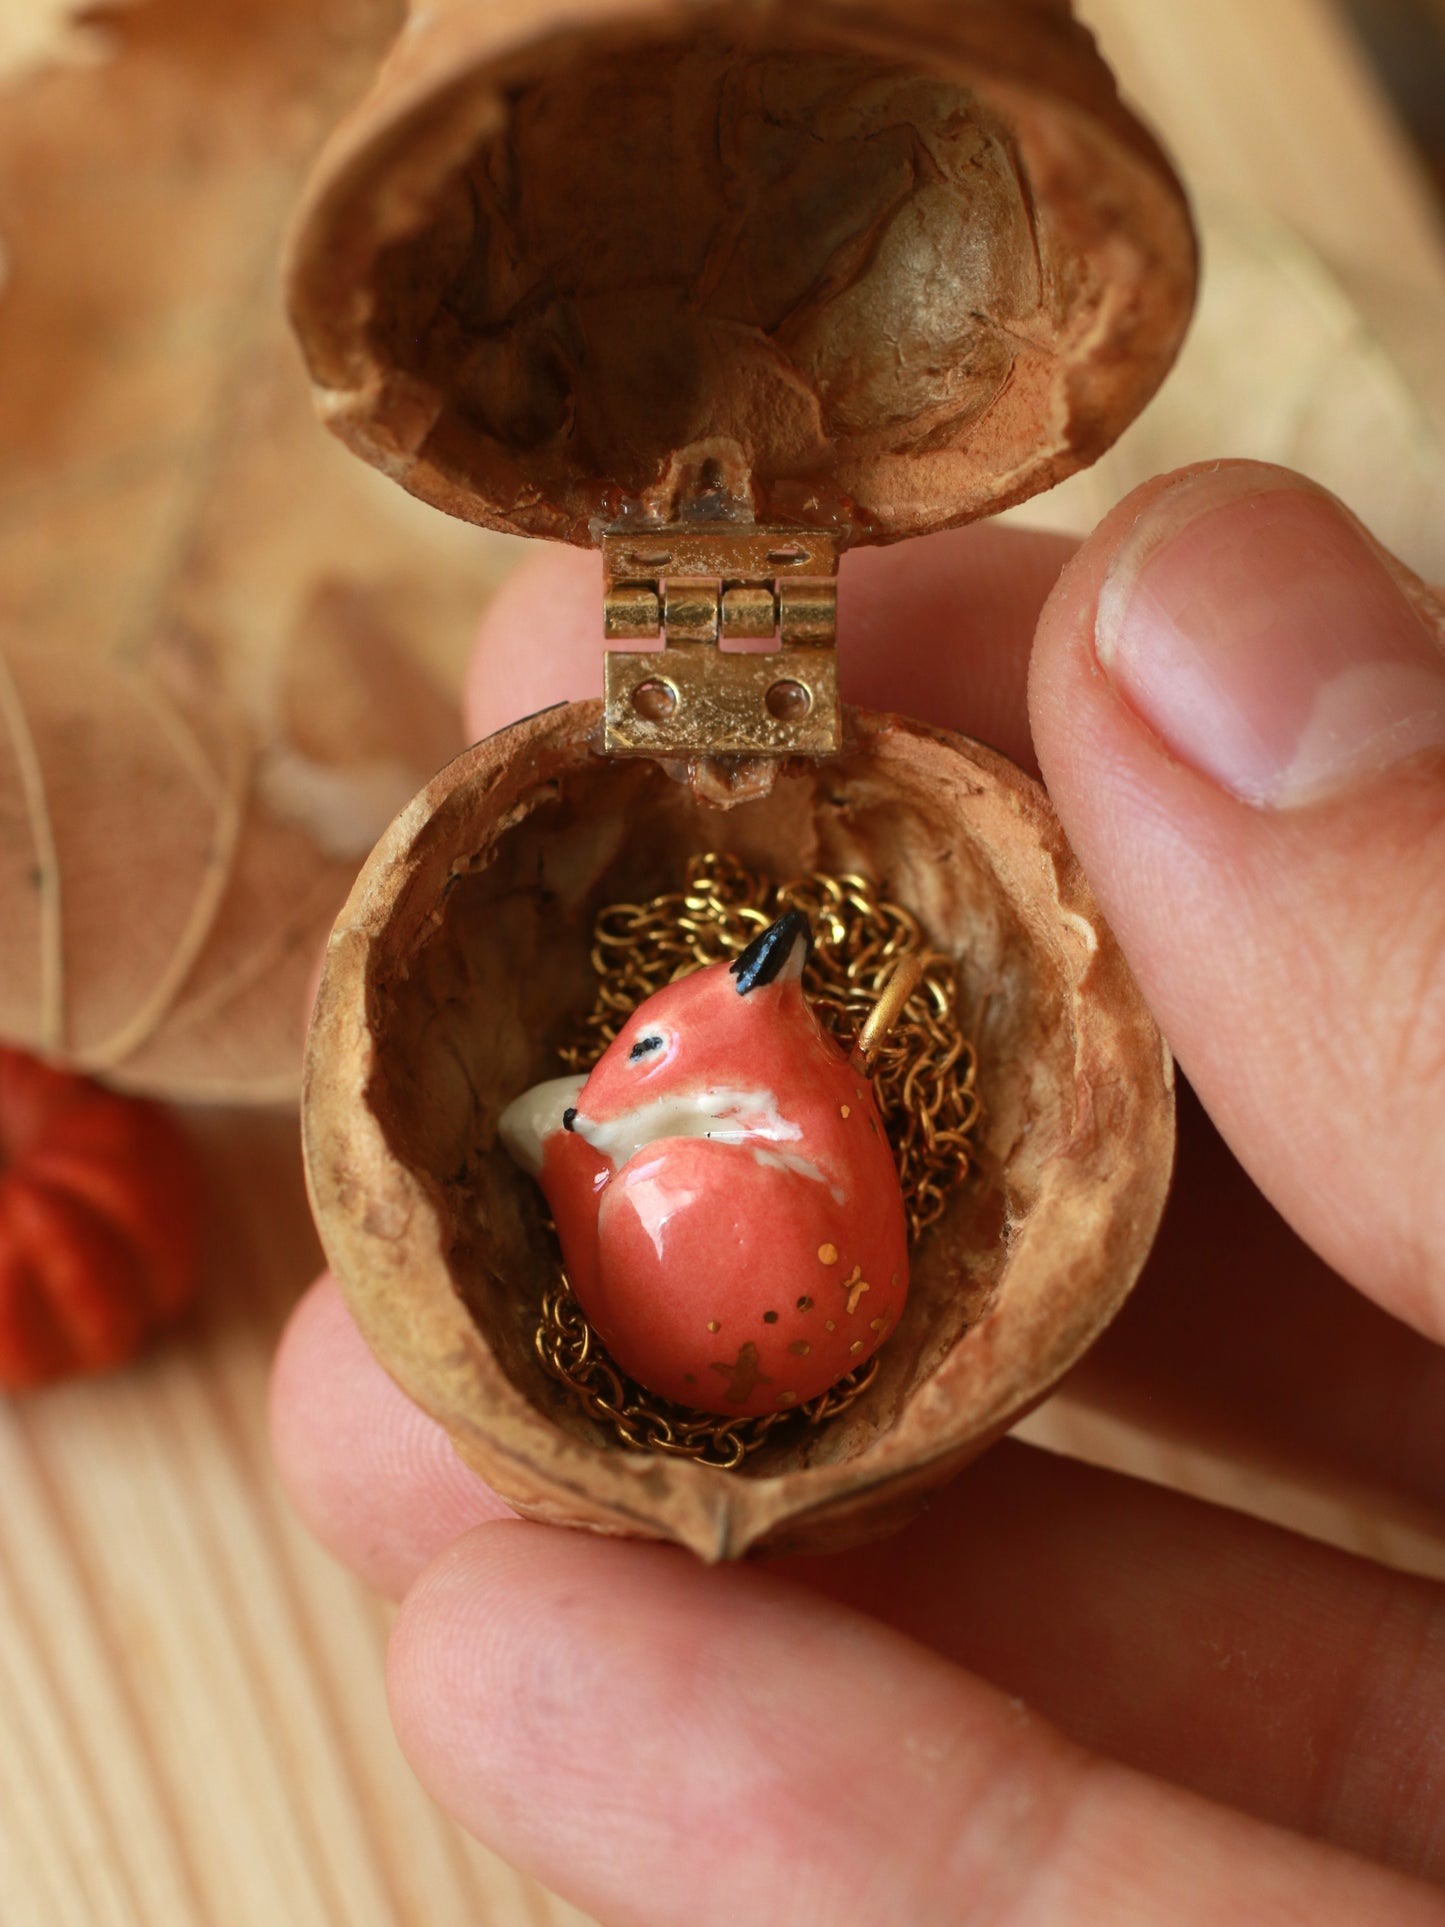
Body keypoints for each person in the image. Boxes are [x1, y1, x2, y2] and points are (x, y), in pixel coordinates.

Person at [271, 461, 1445, 1923]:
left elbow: (648, 1103)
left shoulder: (755, 1074)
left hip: (776, 1276)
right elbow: (662, 1092)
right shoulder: (757, 1063)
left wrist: (595, 1139)